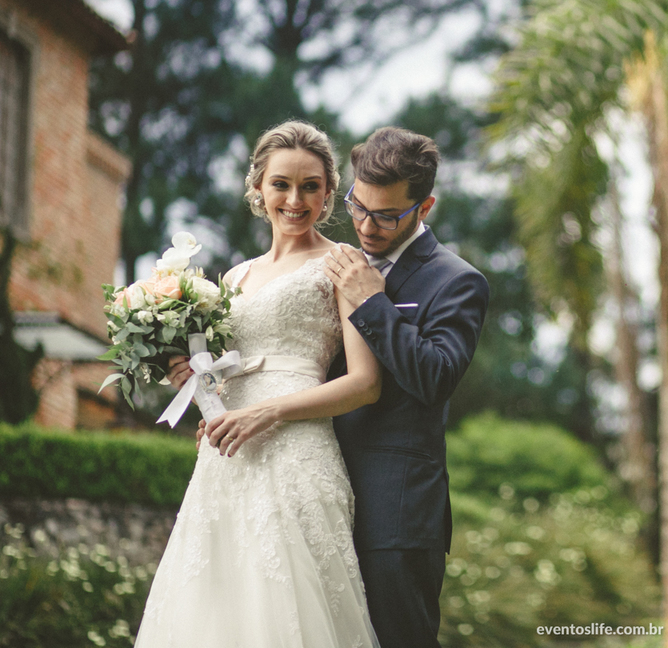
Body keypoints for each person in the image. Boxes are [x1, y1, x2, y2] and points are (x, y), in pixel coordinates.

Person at [137, 121, 383, 648]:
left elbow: (365, 384)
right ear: (257, 189)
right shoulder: (233, 279)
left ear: (328, 193)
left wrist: (266, 413)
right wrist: (197, 381)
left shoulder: (342, 263)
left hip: (296, 449)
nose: (295, 200)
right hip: (226, 455)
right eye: (281, 184)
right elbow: (225, 369)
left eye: (310, 186)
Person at [321, 126, 489, 648]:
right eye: (358, 207)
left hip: (394, 515)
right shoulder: (328, 265)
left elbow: (434, 378)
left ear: (425, 206)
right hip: (313, 492)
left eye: (387, 215)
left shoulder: (457, 282)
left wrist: (374, 303)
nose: (366, 226)